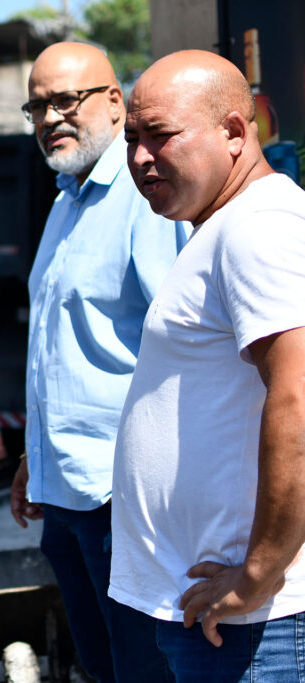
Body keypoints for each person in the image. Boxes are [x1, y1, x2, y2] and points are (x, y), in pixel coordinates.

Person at [110, 49, 305, 680]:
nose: (139, 158)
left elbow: (299, 396)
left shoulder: (259, 228)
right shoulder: (224, 228)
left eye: (160, 135)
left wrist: (257, 574)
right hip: (217, 616)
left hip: (255, 629)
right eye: (132, 138)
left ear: (233, 132)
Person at [9, 42, 188, 682]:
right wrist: (35, 455)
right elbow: (60, 351)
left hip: (125, 499)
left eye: (65, 100)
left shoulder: (146, 196)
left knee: (144, 669)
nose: (50, 117)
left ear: (115, 102)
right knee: (101, 667)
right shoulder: (64, 202)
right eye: (37, 107)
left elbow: (185, 348)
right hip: (64, 493)